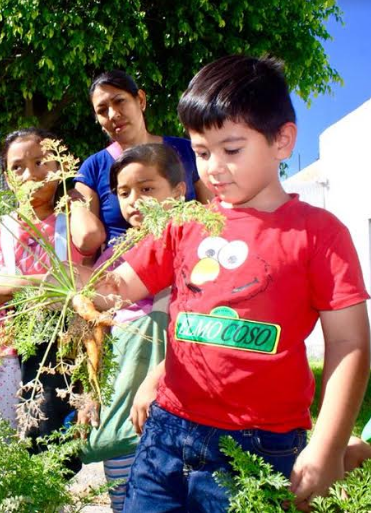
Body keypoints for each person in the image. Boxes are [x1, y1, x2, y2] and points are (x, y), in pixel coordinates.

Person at [77, 55, 369, 512]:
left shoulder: (319, 234)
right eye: (200, 152)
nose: (213, 168)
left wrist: (327, 445)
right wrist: (70, 286)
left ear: (283, 140)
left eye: (231, 150)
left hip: (261, 442)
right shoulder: (185, 223)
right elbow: (119, 285)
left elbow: (350, 343)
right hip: (167, 432)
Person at [0, 128, 95, 430]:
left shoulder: (72, 225)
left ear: (60, 168)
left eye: (41, 162)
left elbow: (93, 244)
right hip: (1, 357)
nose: (29, 173)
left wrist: (75, 197)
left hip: (60, 358)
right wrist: (25, 286)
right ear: (7, 179)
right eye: (17, 167)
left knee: (51, 449)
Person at [78, 144, 185, 513]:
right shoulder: (113, 252)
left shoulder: (191, 243)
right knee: (123, 496)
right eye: (124, 193)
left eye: (147, 189)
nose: (134, 201)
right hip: (121, 391)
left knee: (169, 491)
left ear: (179, 191)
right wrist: (90, 392)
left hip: (171, 396)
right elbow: (96, 328)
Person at [74, 69, 214, 251]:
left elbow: (213, 214)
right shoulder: (92, 169)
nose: (113, 115)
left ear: (140, 100)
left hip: (186, 262)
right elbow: (85, 244)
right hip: (120, 270)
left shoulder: (187, 151)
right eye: (102, 110)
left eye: (119, 101)